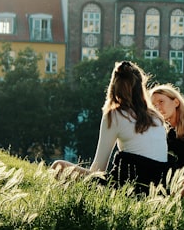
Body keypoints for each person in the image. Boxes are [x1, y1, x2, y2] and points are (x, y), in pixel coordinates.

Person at [51, 61, 169, 193]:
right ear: (141, 87)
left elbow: (98, 169)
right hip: (156, 191)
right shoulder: (156, 118)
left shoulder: (115, 115)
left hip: (126, 189)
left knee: (58, 166)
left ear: (114, 86)